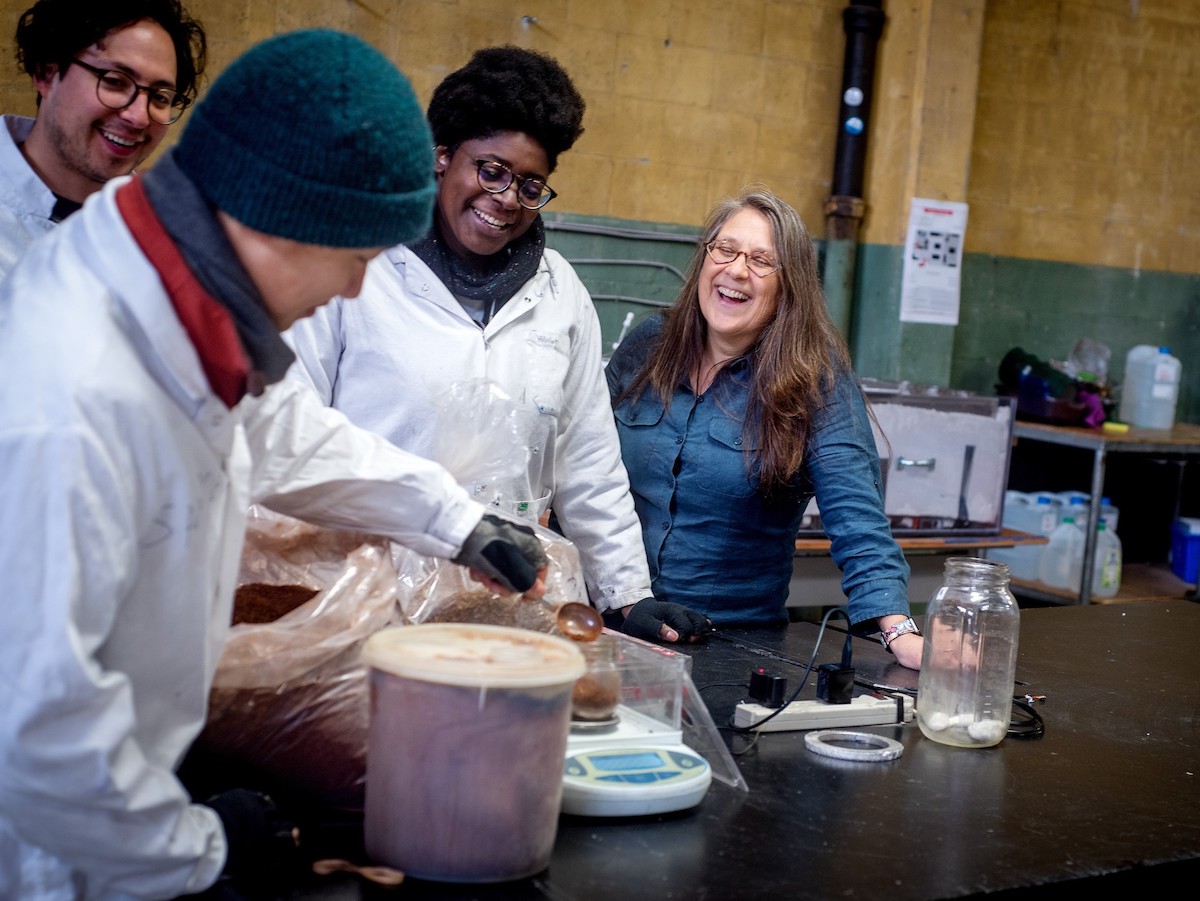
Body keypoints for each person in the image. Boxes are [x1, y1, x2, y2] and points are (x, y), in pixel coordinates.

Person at [0, 29, 550, 899]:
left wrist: (455, 519)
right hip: (60, 859)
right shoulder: (71, 402)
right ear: (277, 222)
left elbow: (285, 430)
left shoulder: (160, 285)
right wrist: (201, 847)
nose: (354, 289)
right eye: (357, 257)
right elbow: (38, 734)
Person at [287, 46, 709, 644]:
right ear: (440, 157)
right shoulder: (358, 268)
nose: (508, 198)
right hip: (363, 601)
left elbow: (587, 460)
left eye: (530, 184)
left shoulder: (560, 292)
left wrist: (624, 596)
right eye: (491, 170)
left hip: (509, 602)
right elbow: (291, 435)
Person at [605, 188, 923, 670]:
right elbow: (581, 469)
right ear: (704, 258)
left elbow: (857, 519)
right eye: (725, 250)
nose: (736, 270)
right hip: (608, 624)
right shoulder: (648, 346)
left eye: (761, 261)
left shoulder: (817, 382)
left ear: (788, 286)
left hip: (723, 650)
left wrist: (898, 629)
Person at [0, 0, 206, 273]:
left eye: (159, 97)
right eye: (115, 81)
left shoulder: (175, 227)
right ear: (47, 74)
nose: (139, 117)